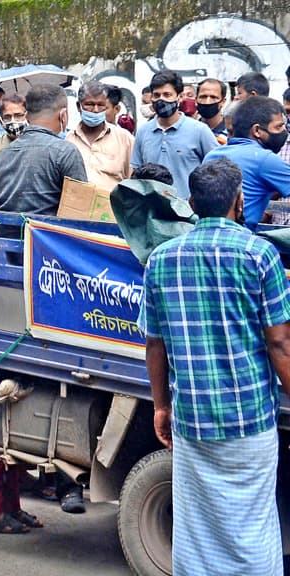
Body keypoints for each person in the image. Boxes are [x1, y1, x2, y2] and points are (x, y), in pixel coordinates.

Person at [140, 158, 290, 576]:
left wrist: (160, 406)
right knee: (253, 525)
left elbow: (155, 344)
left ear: (191, 203)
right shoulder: (260, 254)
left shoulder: (161, 259)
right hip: (251, 420)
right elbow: (280, 342)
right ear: (240, 202)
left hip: (193, 420)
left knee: (197, 528)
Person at [0, 83, 87, 214]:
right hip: (50, 234)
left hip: (6, 234)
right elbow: (81, 209)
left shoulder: (1, 156)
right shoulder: (66, 152)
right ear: (63, 115)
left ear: (27, 116)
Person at [202, 96, 290, 230]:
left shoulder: (213, 154)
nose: (284, 132)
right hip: (239, 236)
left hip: (205, 233)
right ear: (257, 131)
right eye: (278, 127)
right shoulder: (264, 158)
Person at [132, 71, 219, 199]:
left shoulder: (199, 130)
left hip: (188, 212)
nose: (161, 100)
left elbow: (217, 172)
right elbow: (135, 172)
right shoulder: (143, 131)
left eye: (167, 95)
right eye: (157, 95)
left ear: (179, 97)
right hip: (153, 211)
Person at [66, 80, 134, 190]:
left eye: (101, 105)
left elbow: (133, 181)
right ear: (79, 106)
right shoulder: (68, 140)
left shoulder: (125, 139)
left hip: (113, 206)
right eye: (90, 104)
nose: (96, 110)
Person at [196, 78, 229, 143]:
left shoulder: (233, 132)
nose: (207, 102)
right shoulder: (189, 131)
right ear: (196, 99)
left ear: (223, 102)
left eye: (213, 97)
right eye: (203, 97)